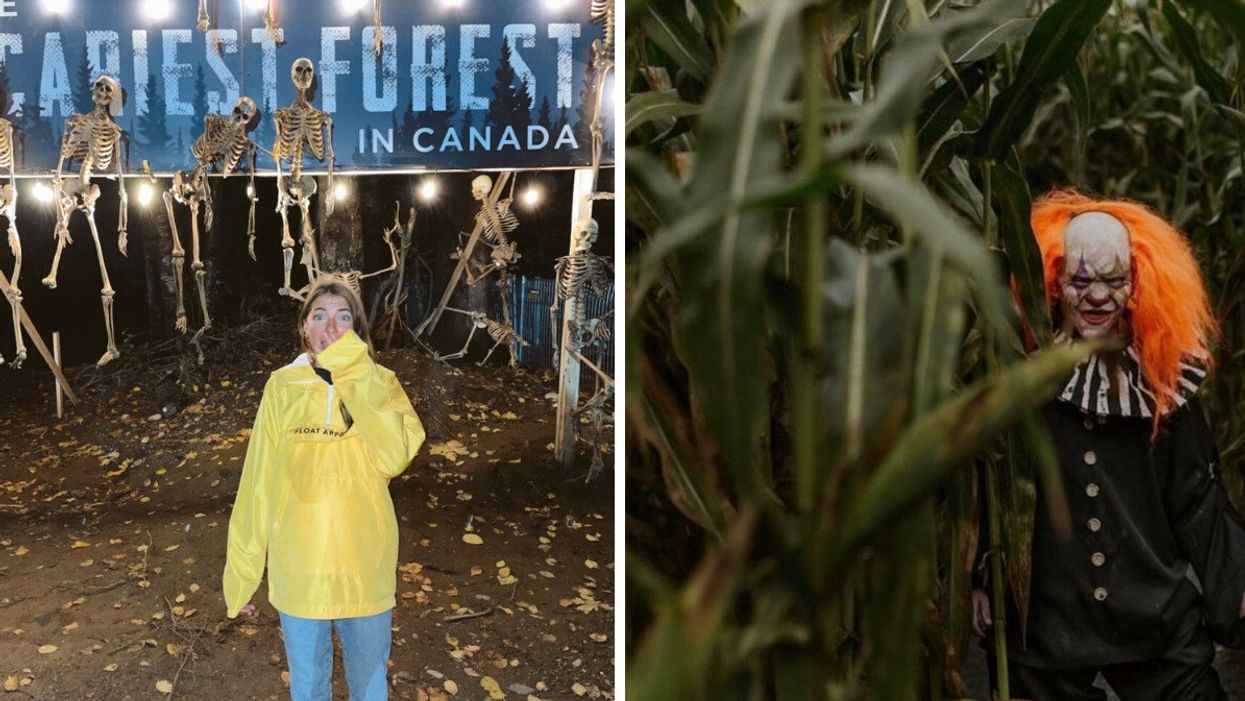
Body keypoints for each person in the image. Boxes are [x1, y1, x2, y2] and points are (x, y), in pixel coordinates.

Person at [971, 190, 1245, 701]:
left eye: (1113, 280)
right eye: (1081, 280)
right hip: (1046, 622)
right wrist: (983, 575)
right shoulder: (1022, 377)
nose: (1097, 295)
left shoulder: (1165, 381)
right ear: (1054, 282)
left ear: (1137, 283)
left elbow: (1198, 497)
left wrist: (1236, 586)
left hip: (1153, 616)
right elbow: (995, 481)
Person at [223, 276, 426, 701]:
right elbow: (257, 482)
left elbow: (395, 456)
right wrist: (242, 575)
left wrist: (355, 371)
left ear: (357, 329)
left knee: (370, 689)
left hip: (364, 567)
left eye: (343, 317)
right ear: (304, 329)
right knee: (309, 687)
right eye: (320, 316)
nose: (331, 328)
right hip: (300, 570)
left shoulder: (382, 382)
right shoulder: (282, 387)